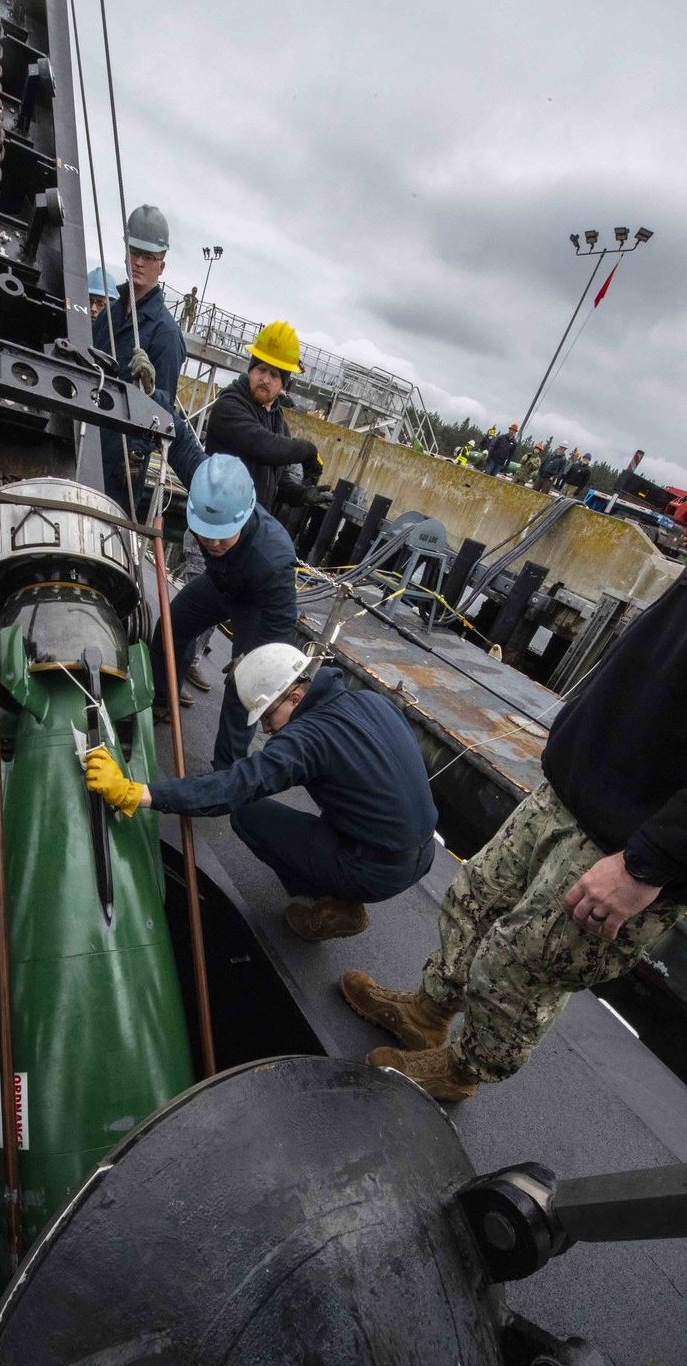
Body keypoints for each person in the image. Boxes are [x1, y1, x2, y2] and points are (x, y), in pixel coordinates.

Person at [340, 568, 687, 1102]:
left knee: (522, 966)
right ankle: (426, 1013)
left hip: (633, 842)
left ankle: (461, 1072)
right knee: (474, 899)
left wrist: (651, 860)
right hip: (579, 785)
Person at [87, 643, 437, 940]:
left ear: (296, 697)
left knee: (249, 815)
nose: (267, 730)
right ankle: (341, 872)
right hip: (420, 855)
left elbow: (235, 786)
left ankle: (335, 903)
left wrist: (140, 793)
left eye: (268, 718)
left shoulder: (306, 740)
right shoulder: (371, 702)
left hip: (376, 871)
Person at [149, 455, 297, 768]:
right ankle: (163, 700)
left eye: (223, 534)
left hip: (255, 605)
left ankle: (226, 771)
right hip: (220, 584)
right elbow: (182, 444)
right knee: (169, 629)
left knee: (242, 687)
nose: (213, 543)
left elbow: (282, 620)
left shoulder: (274, 558)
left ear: (242, 519)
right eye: (205, 533)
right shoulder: (207, 490)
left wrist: (251, 658)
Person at [91, 204, 190, 509]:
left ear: (162, 266)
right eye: (134, 252)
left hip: (121, 465)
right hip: (88, 438)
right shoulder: (109, 316)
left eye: (148, 257)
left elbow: (164, 412)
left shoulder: (166, 334)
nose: (138, 262)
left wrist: (149, 392)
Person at [204, 320, 323, 513]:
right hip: (215, 519)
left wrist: (301, 495)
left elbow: (278, 477)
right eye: (262, 370)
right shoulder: (230, 405)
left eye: (274, 375)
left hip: (249, 522)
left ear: (283, 383)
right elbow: (264, 447)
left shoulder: (277, 420)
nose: (265, 379)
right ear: (251, 370)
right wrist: (308, 449)